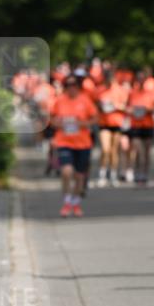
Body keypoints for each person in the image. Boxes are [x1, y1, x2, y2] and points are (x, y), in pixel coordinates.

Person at [49, 73, 98, 216]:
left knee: (79, 175)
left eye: (74, 85)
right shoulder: (60, 101)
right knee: (66, 171)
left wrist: (82, 123)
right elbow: (51, 119)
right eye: (68, 85)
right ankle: (66, 201)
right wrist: (56, 123)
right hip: (64, 141)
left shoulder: (85, 100)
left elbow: (95, 118)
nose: (71, 88)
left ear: (78, 86)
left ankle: (76, 203)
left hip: (83, 143)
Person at [96, 69, 130, 186]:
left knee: (114, 150)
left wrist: (115, 106)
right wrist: (101, 106)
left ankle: (113, 174)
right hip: (104, 123)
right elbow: (96, 105)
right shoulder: (100, 90)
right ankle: (102, 174)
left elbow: (126, 106)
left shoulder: (120, 90)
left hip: (116, 123)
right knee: (105, 149)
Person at [128, 68, 154, 186]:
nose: (140, 81)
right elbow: (126, 107)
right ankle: (138, 173)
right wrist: (132, 110)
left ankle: (144, 174)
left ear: (145, 80)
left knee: (146, 152)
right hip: (135, 125)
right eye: (138, 79)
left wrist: (146, 110)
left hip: (148, 125)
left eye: (142, 79)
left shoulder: (150, 93)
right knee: (138, 151)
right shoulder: (132, 92)